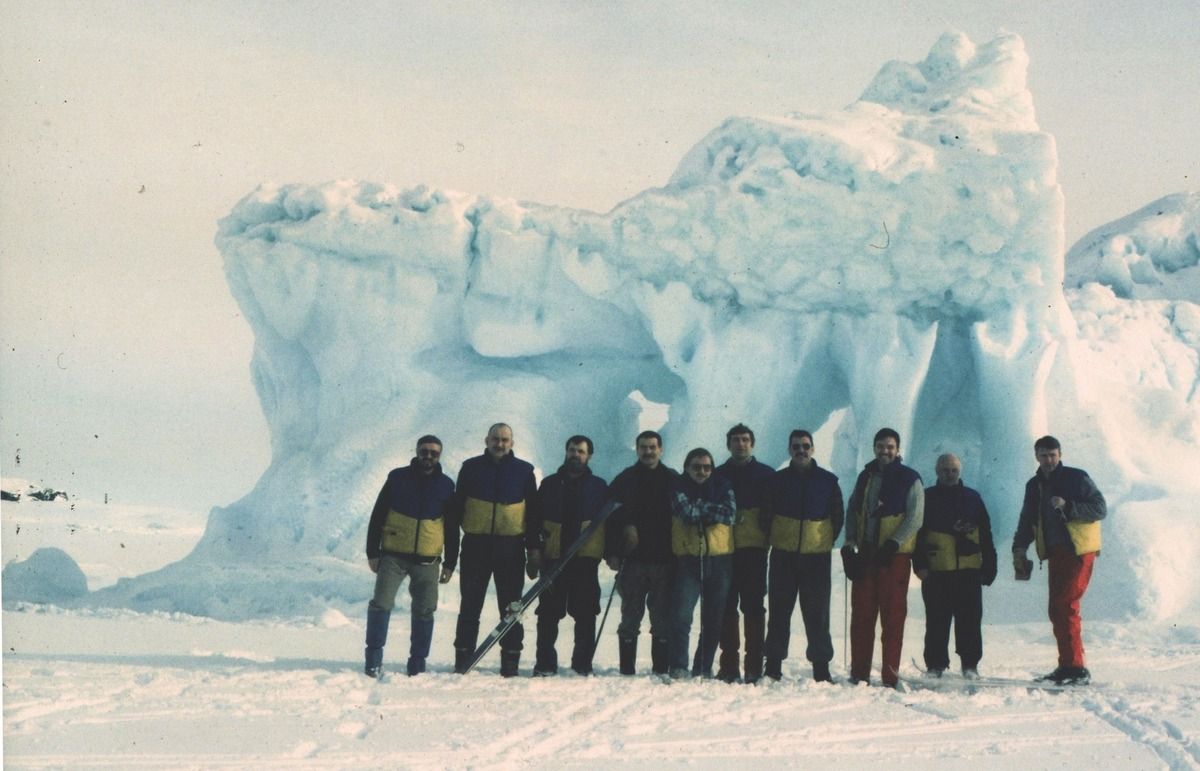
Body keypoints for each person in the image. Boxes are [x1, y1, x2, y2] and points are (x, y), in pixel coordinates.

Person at [443, 423, 540, 677]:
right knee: (470, 606)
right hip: (476, 546)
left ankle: (510, 660)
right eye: (495, 439)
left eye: (505, 439)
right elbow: (455, 513)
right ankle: (463, 657)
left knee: (511, 608)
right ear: (486, 440)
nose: (500, 444)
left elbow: (533, 515)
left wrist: (533, 551)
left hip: (511, 548)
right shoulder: (471, 468)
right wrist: (450, 559)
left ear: (512, 443)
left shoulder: (524, 471)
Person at [1012, 435, 1106, 685]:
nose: (1048, 460)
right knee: (1057, 608)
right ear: (1037, 457)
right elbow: (1028, 518)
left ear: (1060, 455)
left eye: (1052, 454)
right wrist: (1019, 547)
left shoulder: (1076, 478)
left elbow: (1099, 508)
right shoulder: (1035, 485)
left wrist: (1069, 506)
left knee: (1065, 605)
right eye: (1043, 455)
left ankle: (1075, 668)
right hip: (1056, 553)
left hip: (1078, 551)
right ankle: (1068, 665)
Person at [363, 435, 456, 677]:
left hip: (428, 560)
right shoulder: (397, 478)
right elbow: (378, 514)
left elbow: (452, 527)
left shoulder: (446, 485)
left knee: (425, 611)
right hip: (393, 556)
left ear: (439, 455)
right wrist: (373, 552)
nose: (428, 456)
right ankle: (373, 661)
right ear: (416, 451)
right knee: (380, 604)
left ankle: (417, 664)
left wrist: (450, 562)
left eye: (434, 453)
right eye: (424, 451)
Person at [842, 427, 924, 688]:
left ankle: (890, 676)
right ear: (874, 448)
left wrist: (894, 543)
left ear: (897, 449)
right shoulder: (866, 476)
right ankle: (859, 673)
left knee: (893, 619)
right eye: (881, 446)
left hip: (894, 558)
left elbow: (915, 517)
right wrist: (850, 543)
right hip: (867, 554)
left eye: (890, 446)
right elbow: (854, 509)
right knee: (862, 617)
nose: (885, 451)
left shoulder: (910, 478)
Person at [764, 430, 844, 683]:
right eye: (796, 446)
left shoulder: (828, 481)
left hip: (816, 558)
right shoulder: (777, 480)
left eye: (806, 446)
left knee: (817, 614)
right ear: (790, 449)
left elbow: (837, 516)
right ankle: (773, 665)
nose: (801, 450)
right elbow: (766, 514)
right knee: (779, 611)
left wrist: (820, 540)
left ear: (813, 448)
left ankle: (821, 668)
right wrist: (778, 536)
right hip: (783, 556)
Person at [528, 435, 609, 676]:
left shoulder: (599, 487)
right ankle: (545, 663)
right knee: (548, 614)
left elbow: (610, 522)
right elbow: (534, 518)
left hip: (585, 560)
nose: (576, 454)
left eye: (581, 451)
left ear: (589, 456)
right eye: (572, 450)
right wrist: (533, 550)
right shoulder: (550, 484)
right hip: (554, 557)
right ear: (566, 452)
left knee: (585, 614)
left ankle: (582, 664)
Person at [913, 453, 996, 679]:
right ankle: (935, 666)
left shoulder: (973, 498)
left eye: (953, 470)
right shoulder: (926, 497)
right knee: (936, 622)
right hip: (936, 571)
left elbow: (986, 534)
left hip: (968, 572)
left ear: (960, 472)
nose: (949, 474)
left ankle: (970, 666)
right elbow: (917, 535)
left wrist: (990, 566)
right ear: (937, 471)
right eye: (945, 470)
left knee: (969, 622)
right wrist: (919, 565)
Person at [606, 430, 678, 675]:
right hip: (633, 561)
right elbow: (610, 518)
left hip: (664, 561)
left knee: (661, 617)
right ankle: (627, 669)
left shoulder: (672, 479)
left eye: (652, 447)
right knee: (630, 615)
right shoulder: (624, 480)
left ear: (661, 449)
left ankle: (660, 668)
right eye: (643, 447)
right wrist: (613, 552)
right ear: (636, 450)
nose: (648, 452)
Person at [712, 424, 775, 683]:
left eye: (745, 439)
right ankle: (728, 666)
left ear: (753, 443)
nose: (741, 444)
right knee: (727, 607)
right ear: (728, 444)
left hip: (754, 550)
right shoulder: (717, 475)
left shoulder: (767, 475)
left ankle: (753, 666)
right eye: (736, 440)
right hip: (724, 550)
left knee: (753, 607)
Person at [667, 447, 736, 679]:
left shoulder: (723, 484)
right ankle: (678, 665)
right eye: (696, 466)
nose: (702, 471)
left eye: (707, 467)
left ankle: (703, 667)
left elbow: (730, 514)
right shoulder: (678, 486)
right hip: (688, 559)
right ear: (687, 467)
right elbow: (685, 513)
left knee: (713, 619)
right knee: (681, 616)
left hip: (719, 559)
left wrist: (700, 507)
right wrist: (710, 509)